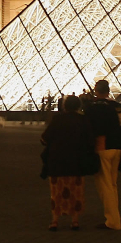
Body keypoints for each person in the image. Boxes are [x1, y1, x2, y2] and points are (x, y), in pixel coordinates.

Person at [41, 94, 95, 231]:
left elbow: (44, 138)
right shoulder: (83, 120)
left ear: (64, 106)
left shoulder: (57, 119)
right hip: (77, 160)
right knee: (76, 191)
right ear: (79, 106)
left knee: (56, 191)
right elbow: (90, 140)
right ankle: (75, 220)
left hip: (57, 160)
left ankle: (54, 221)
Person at [85, 79, 121, 231]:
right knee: (113, 184)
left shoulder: (92, 107)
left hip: (102, 147)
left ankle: (113, 221)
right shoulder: (116, 106)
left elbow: (89, 129)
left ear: (96, 91)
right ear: (108, 91)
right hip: (117, 147)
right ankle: (115, 216)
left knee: (105, 186)